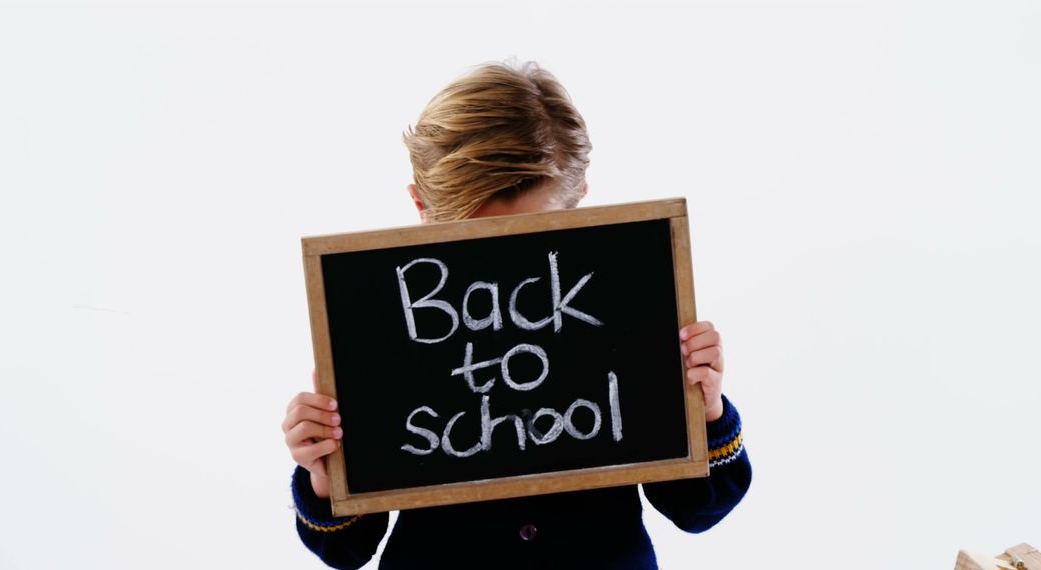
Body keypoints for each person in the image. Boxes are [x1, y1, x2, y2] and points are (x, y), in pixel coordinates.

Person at [282, 61, 751, 569]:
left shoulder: (629, 317)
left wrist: (704, 413)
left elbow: (697, 511)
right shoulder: (380, 338)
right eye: (472, 243)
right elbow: (346, 548)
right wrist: (325, 475)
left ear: (580, 205)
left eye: (536, 240)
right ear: (421, 206)